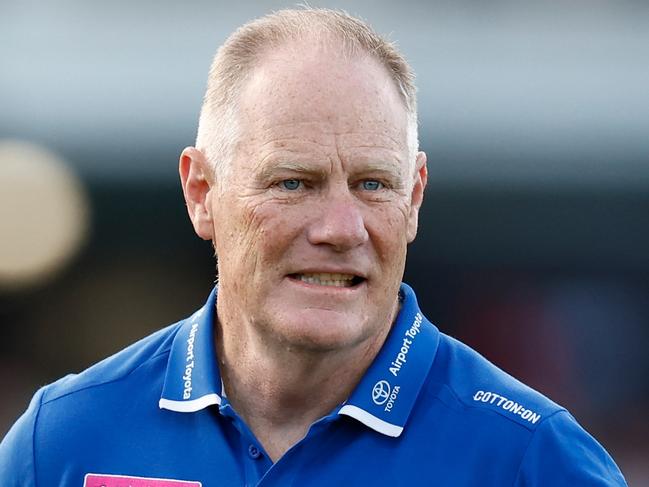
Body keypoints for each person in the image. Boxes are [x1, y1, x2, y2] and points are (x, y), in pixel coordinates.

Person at [0, 8, 627, 486]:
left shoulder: (532, 458)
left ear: (414, 198)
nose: (339, 227)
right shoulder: (61, 441)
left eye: (372, 184)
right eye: (293, 183)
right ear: (201, 192)